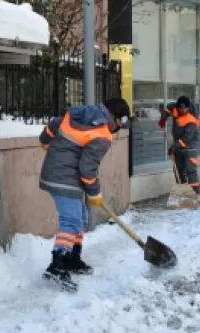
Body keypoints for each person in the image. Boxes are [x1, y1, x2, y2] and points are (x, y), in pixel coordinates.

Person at [38, 98, 132, 292]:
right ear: (115, 117)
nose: (120, 126)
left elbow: (54, 124)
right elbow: (87, 170)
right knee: (71, 221)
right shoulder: (103, 135)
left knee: (80, 217)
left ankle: (73, 258)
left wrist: (45, 140)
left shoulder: (81, 113)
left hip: (57, 172)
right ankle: (57, 264)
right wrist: (95, 192)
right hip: (64, 178)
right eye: (121, 121)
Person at [157, 96, 200, 194]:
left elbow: (186, 138)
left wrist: (174, 147)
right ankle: (183, 191)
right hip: (178, 145)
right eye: (181, 108)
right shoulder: (175, 107)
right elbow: (167, 109)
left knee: (191, 170)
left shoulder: (192, 120)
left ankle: (194, 193)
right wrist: (163, 118)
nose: (182, 110)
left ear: (188, 107)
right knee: (178, 169)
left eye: (185, 108)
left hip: (190, 147)